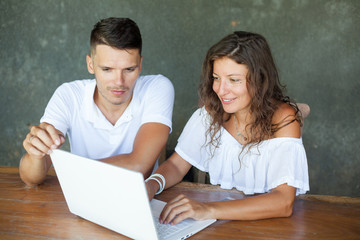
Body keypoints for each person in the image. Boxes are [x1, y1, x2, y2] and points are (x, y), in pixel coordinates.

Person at [145, 31, 309, 224]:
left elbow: (283, 201)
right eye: (216, 78)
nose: (221, 90)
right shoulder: (212, 113)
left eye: (234, 80)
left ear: (260, 79)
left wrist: (206, 209)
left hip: (269, 227)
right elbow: (176, 165)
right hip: (221, 226)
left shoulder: (284, 119)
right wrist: (151, 184)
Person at [20, 17, 174, 187]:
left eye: (129, 69)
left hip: (140, 198)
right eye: (107, 69)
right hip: (83, 197)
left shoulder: (157, 87)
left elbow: (139, 166)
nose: (119, 82)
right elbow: (30, 179)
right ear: (90, 64)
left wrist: (70, 169)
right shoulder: (69, 95)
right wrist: (36, 154)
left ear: (140, 64)